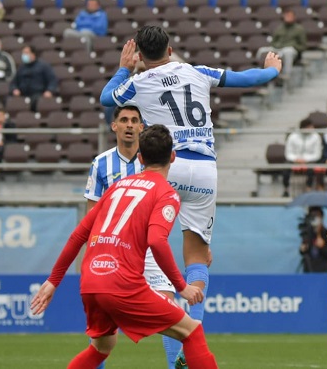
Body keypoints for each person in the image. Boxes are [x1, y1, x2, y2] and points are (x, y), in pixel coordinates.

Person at [99, 25, 281, 363]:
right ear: (170, 49)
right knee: (197, 257)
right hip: (205, 170)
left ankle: (175, 357)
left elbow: (106, 97)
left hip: (168, 166)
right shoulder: (197, 73)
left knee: (156, 260)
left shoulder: (138, 83)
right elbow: (246, 79)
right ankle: (193, 335)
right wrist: (272, 68)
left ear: (140, 54)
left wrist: (125, 67)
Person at [30, 125, 218, 369]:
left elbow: (78, 235)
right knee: (191, 332)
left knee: (101, 348)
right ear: (173, 157)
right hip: (122, 284)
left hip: (91, 281)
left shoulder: (117, 187)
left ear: (140, 158)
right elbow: (157, 241)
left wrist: (53, 280)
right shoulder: (166, 193)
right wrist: (182, 287)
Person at [84, 105, 180, 369]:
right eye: (123, 120)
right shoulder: (101, 163)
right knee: (104, 330)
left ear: (141, 127)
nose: (129, 124)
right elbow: (92, 213)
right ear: (114, 126)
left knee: (171, 311)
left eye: (134, 120)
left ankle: (176, 365)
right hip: (113, 249)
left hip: (148, 247)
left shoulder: (154, 160)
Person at [257, 8, 307, 82]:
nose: (288, 17)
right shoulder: (279, 28)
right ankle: (258, 72)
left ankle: (287, 75)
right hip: (278, 48)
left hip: (291, 50)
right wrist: (277, 45)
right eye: (286, 16)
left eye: (290, 16)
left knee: (288, 51)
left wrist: (293, 45)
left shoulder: (299, 29)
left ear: (294, 17)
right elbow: (273, 42)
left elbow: (303, 46)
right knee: (262, 50)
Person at [282, 118, 325, 197]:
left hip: (310, 160)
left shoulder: (316, 137)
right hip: (294, 160)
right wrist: (296, 159)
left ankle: (308, 188)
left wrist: (305, 159)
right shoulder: (292, 136)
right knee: (285, 166)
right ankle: (286, 189)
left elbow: (317, 154)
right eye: (310, 127)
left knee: (312, 167)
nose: (312, 129)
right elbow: (288, 153)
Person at [10, 45, 59, 111]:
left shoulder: (44, 66)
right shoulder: (21, 68)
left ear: (33, 54)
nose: (24, 55)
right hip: (22, 95)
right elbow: (14, 82)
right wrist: (15, 89)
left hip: (38, 95)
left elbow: (52, 80)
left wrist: (49, 91)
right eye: (23, 53)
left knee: (36, 101)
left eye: (26, 53)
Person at [299, 206, 327, 273]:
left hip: (323, 272)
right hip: (308, 272)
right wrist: (302, 249)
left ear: (321, 217)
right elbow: (304, 251)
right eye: (312, 215)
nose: (315, 218)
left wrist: (323, 247)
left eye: (316, 215)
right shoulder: (307, 233)